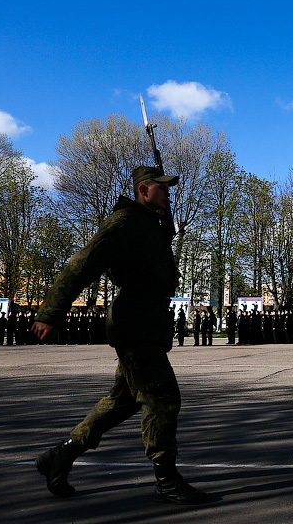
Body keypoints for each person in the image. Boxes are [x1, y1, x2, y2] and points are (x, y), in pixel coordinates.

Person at [30, 166, 207, 505]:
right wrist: (50, 312)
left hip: (148, 323)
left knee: (120, 402)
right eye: (162, 188)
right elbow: (81, 264)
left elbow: (153, 263)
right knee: (162, 398)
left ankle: (61, 456)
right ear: (144, 190)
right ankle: (166, 479)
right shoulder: (125, 222)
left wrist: (168, 273)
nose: (168, 194)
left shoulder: (150, 226)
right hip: (133, 324)